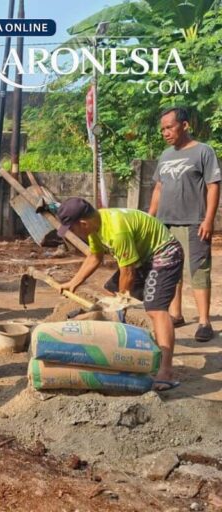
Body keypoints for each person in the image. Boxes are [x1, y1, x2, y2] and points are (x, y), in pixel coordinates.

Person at [57, 198, 185, 391]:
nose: (72, 233)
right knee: (112, 289)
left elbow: (128, 272)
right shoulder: (95, 226)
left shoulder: (117, 230)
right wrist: (73, 283)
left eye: (72, 228)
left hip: (165, 254)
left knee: (156, 308)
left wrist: (122, 299)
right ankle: (134, 340)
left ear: (82, 223)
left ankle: (165, 371)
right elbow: (95, 256)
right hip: (143, 257)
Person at [148, 106, 221, 342]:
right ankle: (176, 314)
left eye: (170, 127)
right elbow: (158, 188)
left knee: (199, 270)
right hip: (165, 223)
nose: (165, 133)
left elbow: (213, 185)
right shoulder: (165, 155)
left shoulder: (203, 152)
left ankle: (203, 322)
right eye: (162, 129)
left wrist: (209, 219)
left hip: (194, 222)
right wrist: (150, 218)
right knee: (171, 270)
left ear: (185, 125)